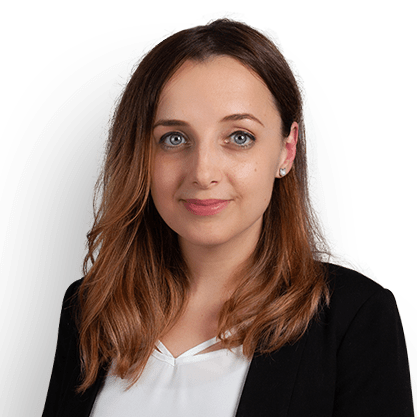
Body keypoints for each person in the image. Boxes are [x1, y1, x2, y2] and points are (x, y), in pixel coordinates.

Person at [42, 17, 414, 416]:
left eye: (239, 137)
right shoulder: (91, 310)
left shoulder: (353, 317)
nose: (203, 173)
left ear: (286, 151)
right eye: (174, 138)